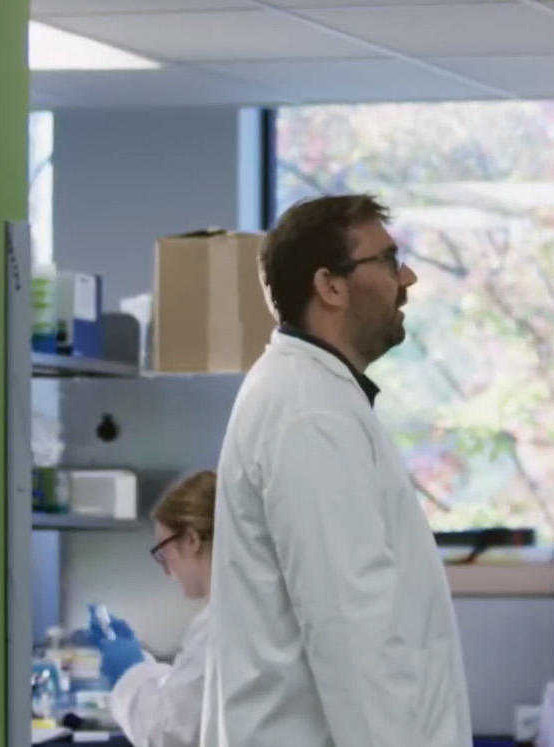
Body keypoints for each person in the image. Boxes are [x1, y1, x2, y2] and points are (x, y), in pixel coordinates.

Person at [201, 194, 471, 746]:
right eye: (390, 261)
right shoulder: (308, 413)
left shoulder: (317, 396)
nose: (409, 277)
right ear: (330, 286)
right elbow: (351, 633)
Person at [87, 470, 216, 747]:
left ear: (192, 540)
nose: (167, 571)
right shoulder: (236, 615)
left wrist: (128, 672)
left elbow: (168, 735)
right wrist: (142, 665)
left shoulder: (217, 626)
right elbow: (190, 698)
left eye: (163, 552)